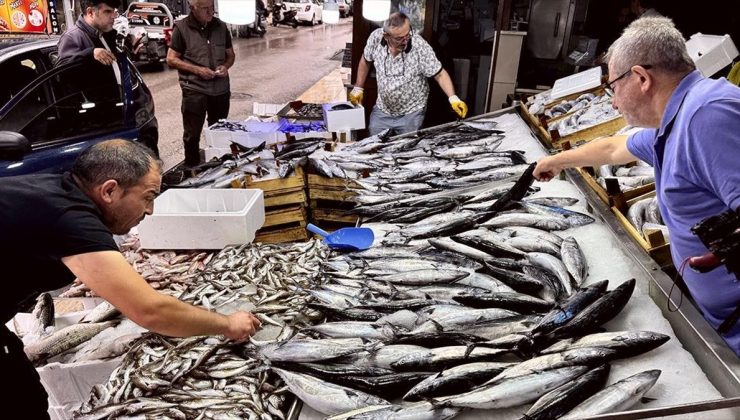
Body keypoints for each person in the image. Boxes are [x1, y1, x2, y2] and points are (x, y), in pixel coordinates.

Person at [0, 140, 262, 418]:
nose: (150, 210)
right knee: (21, 404)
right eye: (148, 197)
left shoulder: (53, 191)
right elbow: (151, 311)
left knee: (23, 392)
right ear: (109, 190)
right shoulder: (69, 219)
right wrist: (229, 324)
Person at [533, 17, 740, 356]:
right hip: (722, 321)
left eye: (613, 86)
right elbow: (614, 148)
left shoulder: (708, 115)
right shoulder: (675, 120)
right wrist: (556, 162)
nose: (613, 101)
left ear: (642, 78)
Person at [56, 0, 160, 157]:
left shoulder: (107, 33)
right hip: (98, 119)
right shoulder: (73, 37)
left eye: (114, 12)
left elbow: (122, 62)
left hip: (123, 110)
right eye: (107, 12)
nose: (113, 16)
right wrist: (90, 53)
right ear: (90, 12)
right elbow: (61, 69)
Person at [349, 12, 468, 136]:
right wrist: (358, 87)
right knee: (374, 145)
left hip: (412, 112)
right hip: (383, 109)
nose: (406, 41)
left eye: (408, 34)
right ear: (386, 36)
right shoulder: (376, 38)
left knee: (406, 150)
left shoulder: (419, 46)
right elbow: (365, 60)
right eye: (400, 38)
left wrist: (453, 98)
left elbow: (440, 74)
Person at [166, 0, 234, 167]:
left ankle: (218, 167)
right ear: (193, 8)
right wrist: (198, 70)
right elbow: (171, 59)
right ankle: (192, 169)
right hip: (194, 89)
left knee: (218, 132)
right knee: (192, 135)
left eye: (212, 8)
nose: (210, 12)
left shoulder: (221, 27)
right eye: (205, 9)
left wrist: (225, 67)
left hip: (220, 90)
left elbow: (230, 55)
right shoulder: (181, 28)